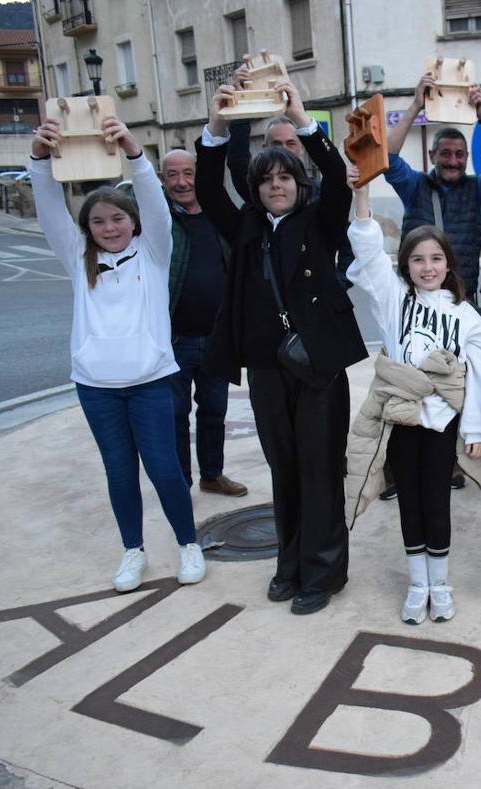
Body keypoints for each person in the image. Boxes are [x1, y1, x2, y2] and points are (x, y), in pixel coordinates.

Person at [195, 80, 367, 614]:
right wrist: (219, 125)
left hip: (318, 367)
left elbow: (338, 178)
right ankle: (288, 564)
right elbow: (206, 189)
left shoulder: (321, 220)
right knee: (285, 469)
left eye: (284, 176)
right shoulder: (245, 226)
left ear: (299, 182)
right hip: (268, 366)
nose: (275, 185)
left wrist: (303, 120)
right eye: (266, 179)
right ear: (257, 187)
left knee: (320, 469)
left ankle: (323, 573)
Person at [28, 117, 205, 593]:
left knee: (165, 468)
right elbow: (47, 208)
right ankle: (133, 551)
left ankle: (188, 544)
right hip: (97, 388)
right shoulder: (76, 255)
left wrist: (131, 151)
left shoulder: (153, 251)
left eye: (118, 219)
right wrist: (40, 159)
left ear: (134, 222)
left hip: (150, 382)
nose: (109, 228)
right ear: (88, 227)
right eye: (99, 221)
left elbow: (153, 199)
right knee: (119, 471)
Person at [344, 164, 481, 623]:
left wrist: (475, 429)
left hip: (440, 424)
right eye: (417, 259)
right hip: (399, 419)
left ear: (448, 264)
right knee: (408, 500)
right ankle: (418, 584)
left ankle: (442, 583)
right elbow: (368, 253)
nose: (427, 267)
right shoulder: (394, 300)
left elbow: (480, 376)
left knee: (437, 500)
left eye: (435, 259)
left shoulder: (467, 316)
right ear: (405, 265)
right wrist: (362, 196)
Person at [160, 149, 248, 498]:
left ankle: (212, 474)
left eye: (188, 173)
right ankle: (180, 481)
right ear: (163, 179)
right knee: (175, 414)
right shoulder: (157, 221)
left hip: (215, 338)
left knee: (214, 411)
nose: (181, 182)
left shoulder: (218, 218)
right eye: (172, 175)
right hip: (175, 340)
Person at [384, 72, 481, 304]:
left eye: (459, 155)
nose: (453, 160)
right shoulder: (414, 186)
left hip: (461, 300)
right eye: (445, 153)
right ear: (432, 155)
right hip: (417, 299)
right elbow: (387, 158)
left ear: (467, 157)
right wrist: (416, 105)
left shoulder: (478, 190)